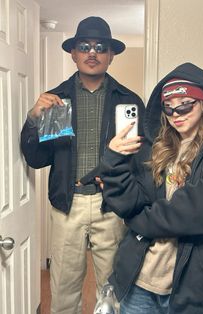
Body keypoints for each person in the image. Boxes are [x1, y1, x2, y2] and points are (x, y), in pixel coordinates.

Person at [20, 16, 145, 314]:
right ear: (73, 53)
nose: (92, 52)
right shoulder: (55, 100)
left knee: (113, 289)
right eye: (84, 46)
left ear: (110, 55)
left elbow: (143, 160)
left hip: (111, 205)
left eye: (100, 47)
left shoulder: (128, 100)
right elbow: (37, 159)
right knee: (63, 291)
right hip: (67, 205)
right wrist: (33, 118)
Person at [100, 62, 203, 314]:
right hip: (138, 283)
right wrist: (113, 159)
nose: (176, 113)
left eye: (185, 104)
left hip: (193, 290)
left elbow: (196, 213)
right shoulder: (154, 149)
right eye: (169, 107)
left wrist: (138, 221)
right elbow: (126, 202)